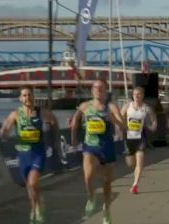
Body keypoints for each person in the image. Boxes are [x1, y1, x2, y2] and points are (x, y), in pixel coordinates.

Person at [0, 85, 61, 224]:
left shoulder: (41, 112)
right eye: (24, 95)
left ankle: (38, 208)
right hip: (23, 156)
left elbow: (54, 120)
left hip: (38, 154)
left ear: (33, 96)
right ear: (20, 98)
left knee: (33, 183)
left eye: (29, 94)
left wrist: (56, 137)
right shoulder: (15, 114)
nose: (27, 98)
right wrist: (3, 132)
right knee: (29, 186)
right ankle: (34, 208)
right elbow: (5, 129)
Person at [71, 79, 125, 224]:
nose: (98, 90)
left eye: (101, 87)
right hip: (90, 147)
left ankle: (106, 210)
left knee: (106, 182)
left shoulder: (111, 107)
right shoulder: (85, 106)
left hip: (107, 148)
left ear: (106, 90)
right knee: (88, 176)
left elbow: (123, 126)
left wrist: (114, 120)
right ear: (92, 90)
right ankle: (91, 196)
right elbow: (75, 120)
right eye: (95, 87)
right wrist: (74, 137)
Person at [120, 86, 157, 194]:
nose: (136, 96)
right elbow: (120, 117)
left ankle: (135, 185)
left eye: (139, 94)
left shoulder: (146, 108)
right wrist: (122, 127)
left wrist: (153, 126)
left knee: (140, 163)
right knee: (131, 163)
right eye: (135, 94)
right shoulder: (127, 106)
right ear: (132, 95)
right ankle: (135, 171)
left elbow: (153, 119)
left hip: (141, 137)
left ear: (142, 96)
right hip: (129, 137)